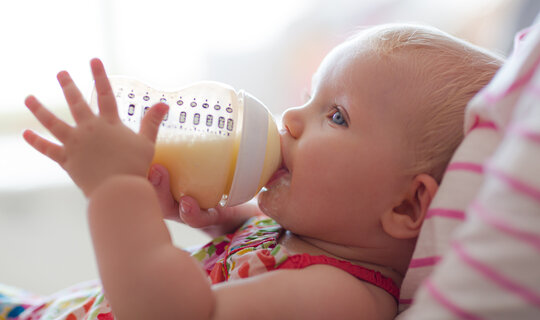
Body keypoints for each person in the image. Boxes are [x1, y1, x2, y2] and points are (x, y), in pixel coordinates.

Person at [10, 23, 503, 319]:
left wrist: (115, 191)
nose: (290, 119)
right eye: (308, 99)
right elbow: (251, 252)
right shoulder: (309, 233)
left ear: (405, 205)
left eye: (336, 116)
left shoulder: (341, 298)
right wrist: (217, 217)